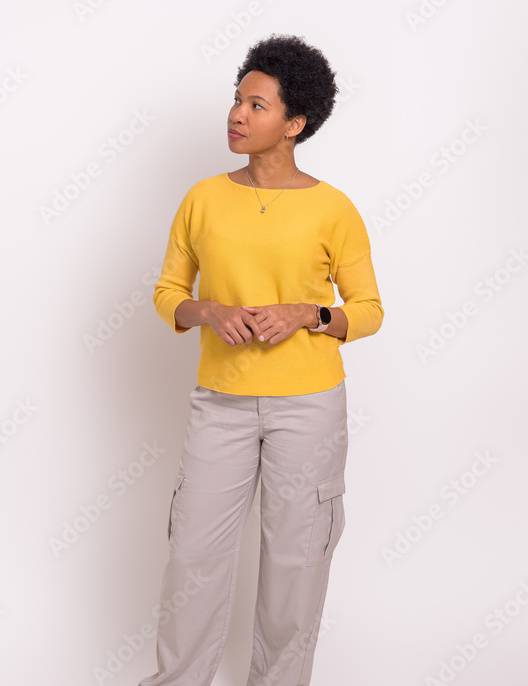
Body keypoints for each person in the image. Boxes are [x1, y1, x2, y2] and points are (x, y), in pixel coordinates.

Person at [140, 34, 384, 686]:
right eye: (237, 100)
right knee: (193, 562)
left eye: (257, 104)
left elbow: (368, 309)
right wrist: (210, 311)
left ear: (294, 124)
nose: (238, 114)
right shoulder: (202, 199)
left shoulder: (334, 209)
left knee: (295, 568)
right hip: (219, 401)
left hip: (307, 406)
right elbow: (168, 293)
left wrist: (310, 314)